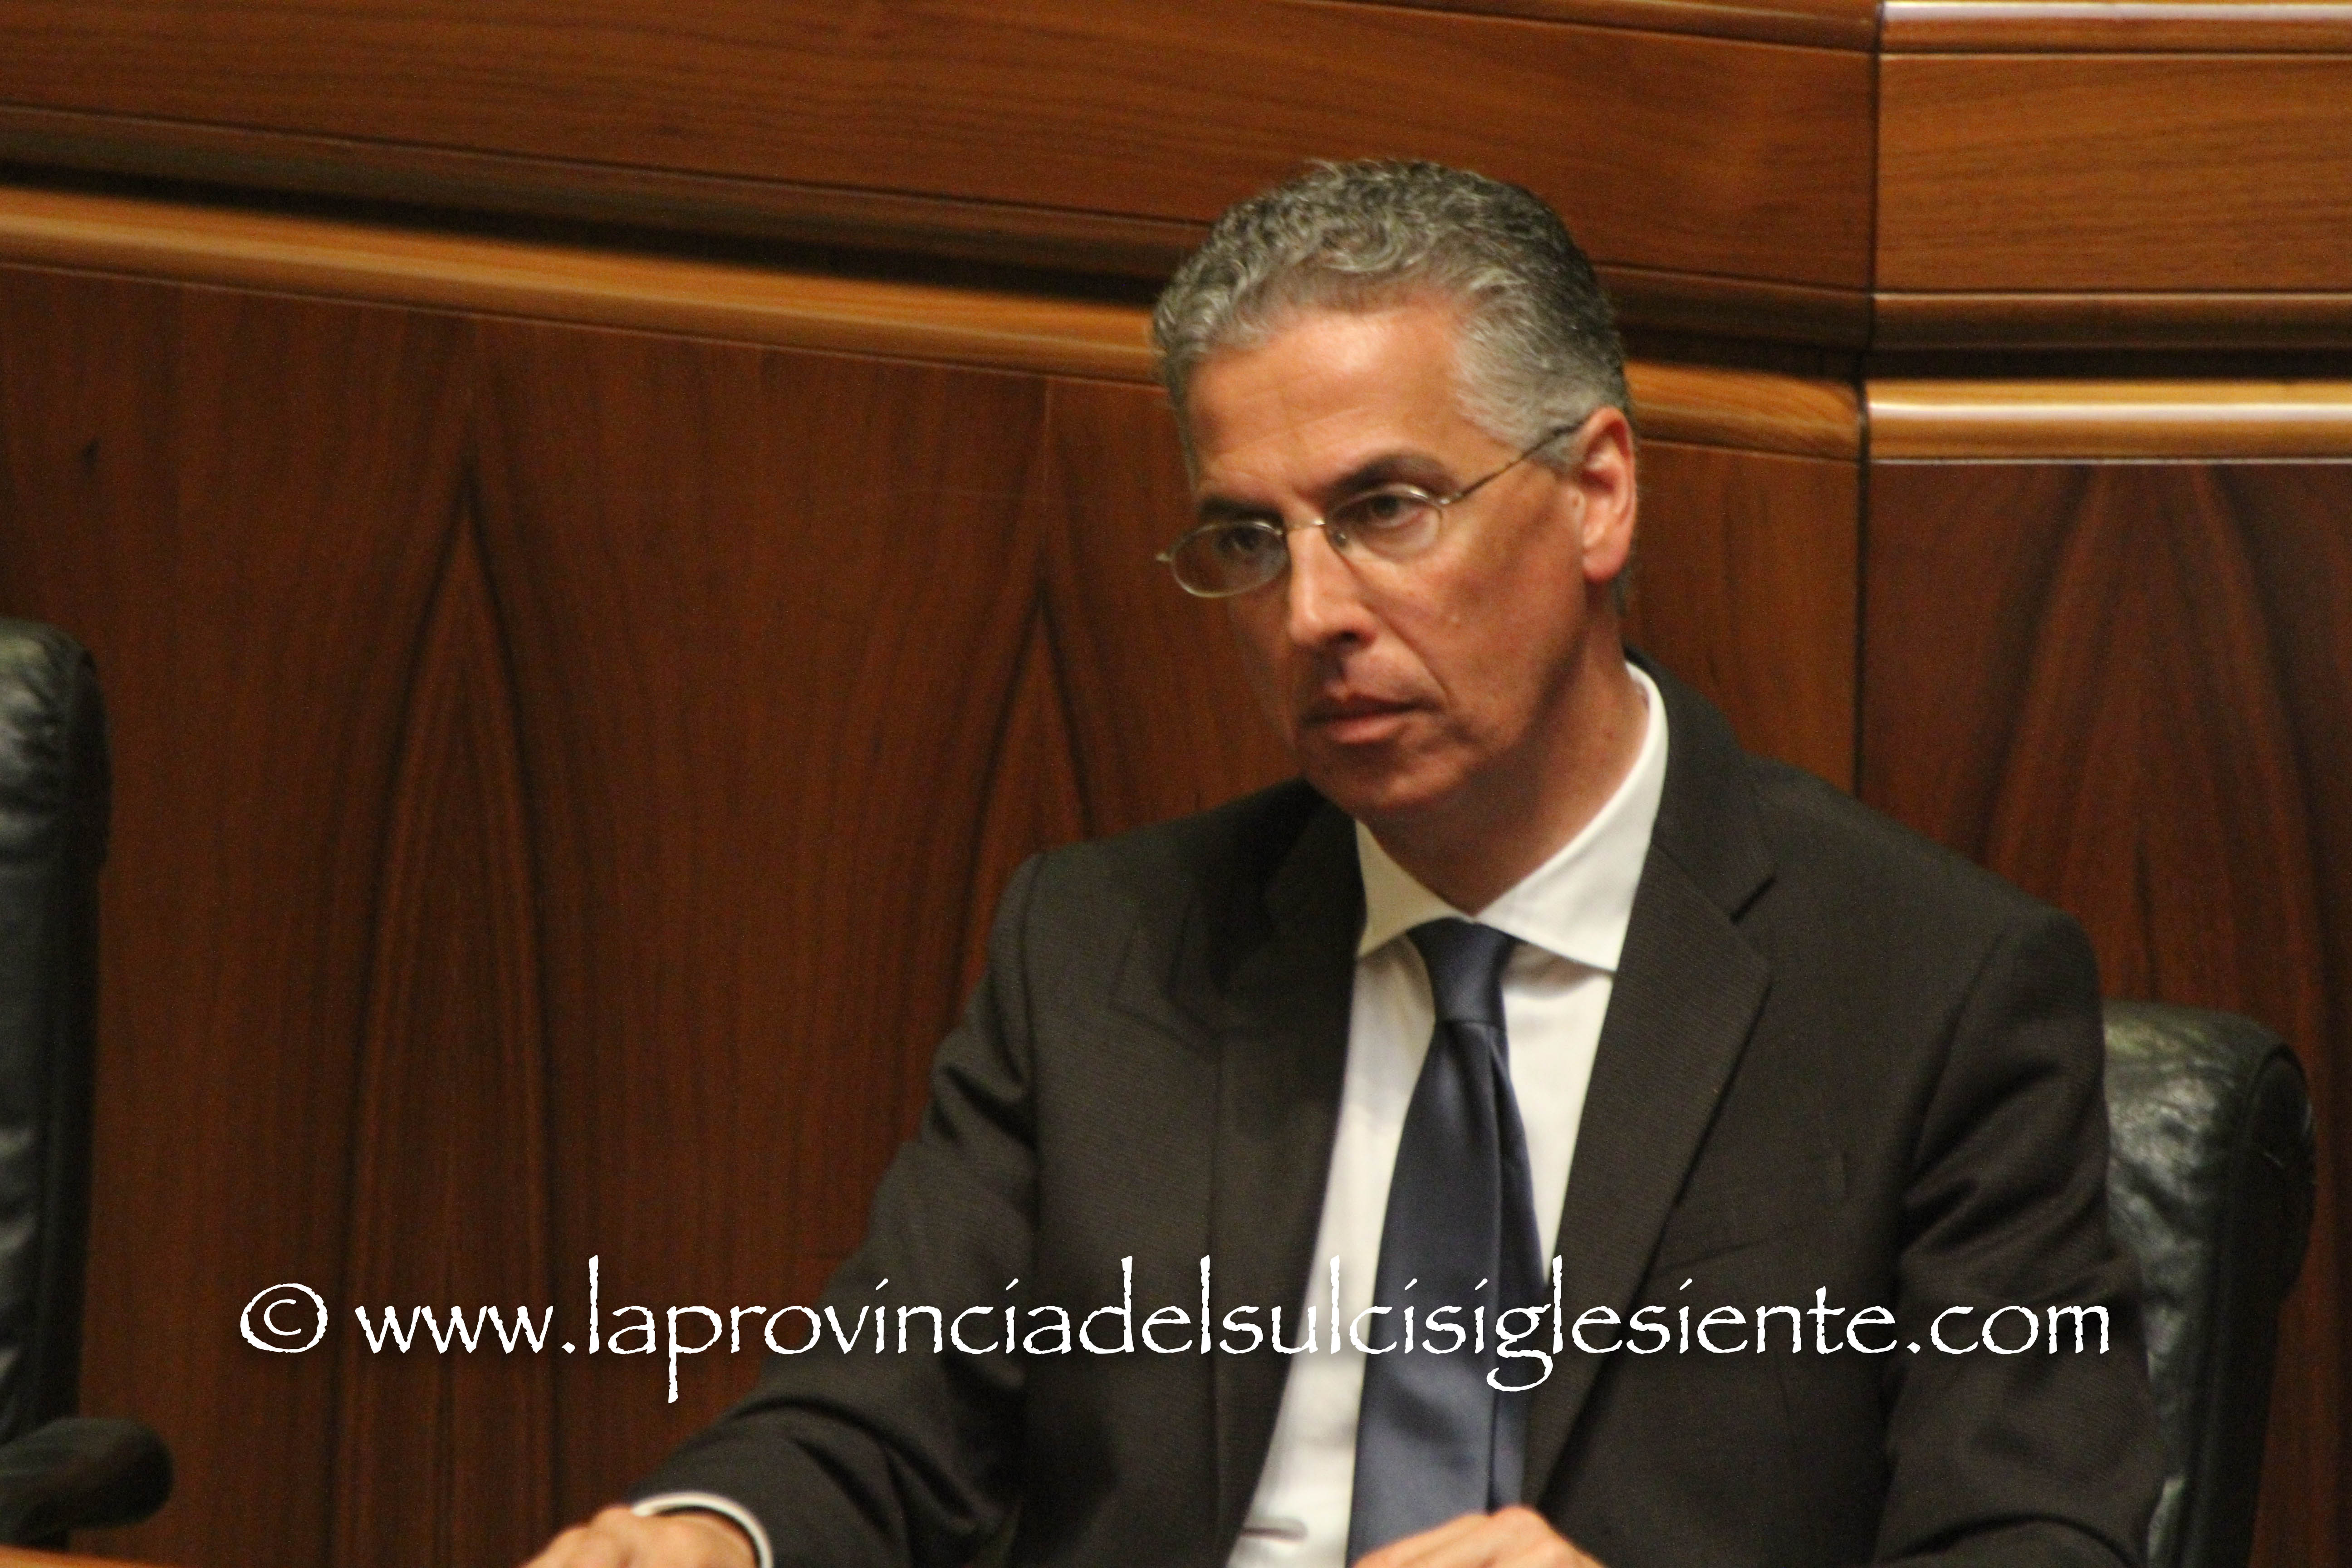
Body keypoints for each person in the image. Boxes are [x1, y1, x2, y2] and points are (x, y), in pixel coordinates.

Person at [524, 161, 2161, 1568]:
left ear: (1597, 493)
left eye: (1387, 507)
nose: (1311, 614)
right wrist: (708, 1533)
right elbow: (879, 1417)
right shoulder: (1104, 953)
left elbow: (2029, 1542)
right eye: (1250, 539)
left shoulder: (1928, 988)